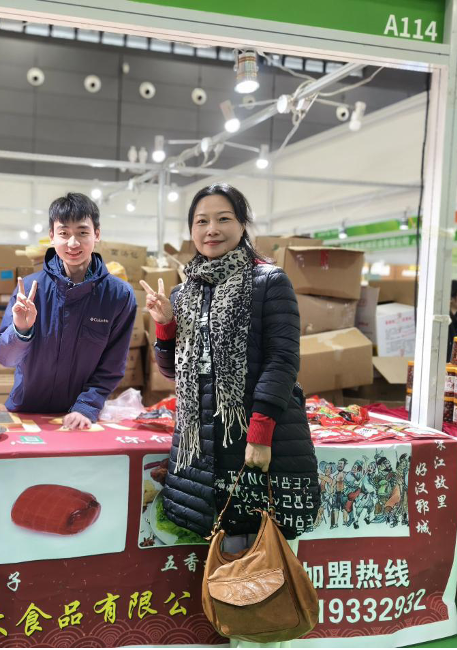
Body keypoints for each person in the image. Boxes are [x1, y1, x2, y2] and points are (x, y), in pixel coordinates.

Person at [145, 183, 319, 558]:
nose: (212, 229)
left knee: (257, 558)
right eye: (201, 221)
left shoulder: (269, 282)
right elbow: (171, 371)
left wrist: (261, 432)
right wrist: (165, 324)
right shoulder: (183, 293)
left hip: (251, 440)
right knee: (214, 560)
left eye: (223, 219)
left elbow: (282, 359)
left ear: (242, 224)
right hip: (200, 447)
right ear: (191, 230)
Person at [0, 192, 136, 429]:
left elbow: (112, 366)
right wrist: (20, 330)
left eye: (82, 232)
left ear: (96, 234)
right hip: (26, 411)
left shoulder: (118, 295)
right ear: (52, 236)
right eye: (64, 233)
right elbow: (5, 358)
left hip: (81, 417)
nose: (73, 243)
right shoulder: (29, 289)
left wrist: (86, 407)